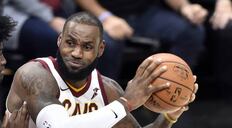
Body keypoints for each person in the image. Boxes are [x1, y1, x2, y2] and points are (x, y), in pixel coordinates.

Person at [7, 12, 198, 128]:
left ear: (100, 49)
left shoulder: (106, 89)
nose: (76, 53)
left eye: (87, 47)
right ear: (59, 40)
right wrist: (125, 104)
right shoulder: (34, 76)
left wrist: (168, 117)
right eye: (70, 43)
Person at [75, 0, 207, 80]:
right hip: (100, 14)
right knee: (107, 44)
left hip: (146, 14)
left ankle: (167, 91)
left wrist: (184, 6)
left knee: (191, 32)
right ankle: (104, 102)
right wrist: (105, 17)